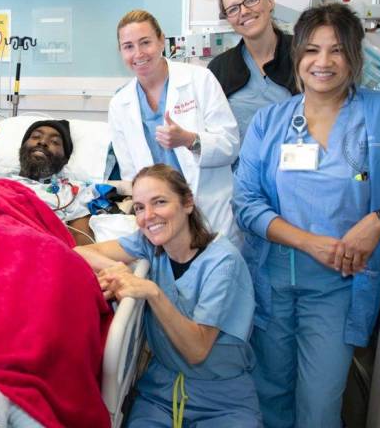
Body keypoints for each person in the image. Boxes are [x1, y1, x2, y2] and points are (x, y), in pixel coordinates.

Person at [233, 2, 380, 428]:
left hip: (341, 282)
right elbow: (246, 203)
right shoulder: (271, 121)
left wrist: (379, 221)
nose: (323, 62)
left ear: (354, 56)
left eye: (336, 50)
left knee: (319, 404)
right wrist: (307, 242)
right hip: (271, 277)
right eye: (311, 50)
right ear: (296, 56)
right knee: (270, 393)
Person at [75, 164, 261, 426]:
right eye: (139, 207)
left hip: (222, 400)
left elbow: (196, 350)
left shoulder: (223, 262)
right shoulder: (149, 243)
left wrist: (152, 291)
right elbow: (79, 253)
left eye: (159, 202)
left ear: (187, 203)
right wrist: (116, 270)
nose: (148, 216)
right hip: (159, 393)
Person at [108, 9, 241, 244]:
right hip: (160, 219)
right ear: (120, 52)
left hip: (209, 209)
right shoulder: (120, 103)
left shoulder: (200, 80)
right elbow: (131, 174)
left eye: (145, 42)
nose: (138, 53)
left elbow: (230, 145)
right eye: (128, 46)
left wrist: (190, 140)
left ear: (161, 40)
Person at [0, 119, 98, 245]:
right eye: (35, 137)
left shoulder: (70, 192)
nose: (42, 142)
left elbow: (84, 246)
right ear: (22, 148)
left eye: (55, 142)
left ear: (65, 158)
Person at [208, 0, 298, 142]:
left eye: (251, 0)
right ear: (228, 19)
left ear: (270, 1)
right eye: (233, 9)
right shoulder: (219, 68)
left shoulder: (303, 53)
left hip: (299, 164)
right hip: (242, 166)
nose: (244, 11)